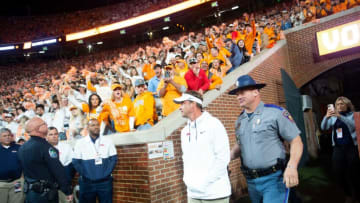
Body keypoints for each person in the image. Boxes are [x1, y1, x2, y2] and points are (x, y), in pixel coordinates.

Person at [229, 75, 303, 203]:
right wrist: (226, 158)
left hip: (274, 179)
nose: (239, 96)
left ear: (256, 92)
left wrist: (292, 166)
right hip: (251, 181)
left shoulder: (276, 113)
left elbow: (296, 141)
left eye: (242, 92)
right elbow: (240, 145)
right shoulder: (240, 121)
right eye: (237, 94)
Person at [174, 90, 231, 203]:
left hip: (215, 193)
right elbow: (186, 159)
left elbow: (223, 158)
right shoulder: (184, 131)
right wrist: (188, 181)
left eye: (182, 103)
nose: (179, 108)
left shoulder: (214, 124)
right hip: (193, 194)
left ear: (193, 104)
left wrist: (205, 183)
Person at [17, 117, 73, 203]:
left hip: (30, 192)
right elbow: (58, 170)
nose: (47, 125)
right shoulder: (46, 147)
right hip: (45, 194)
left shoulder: (22, 147)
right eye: (44, 124)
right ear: (38, 129)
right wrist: (67, 190)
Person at [321, 96, 360, 203]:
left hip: (351, 147)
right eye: (337, 104)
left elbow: (354, 127)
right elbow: (323, 127)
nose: (339, 106)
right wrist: (326, 116)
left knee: (354, 173)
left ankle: (356, 195)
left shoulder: (354, 115)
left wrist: (340, 117)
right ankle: (348, 194)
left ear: (347, 105)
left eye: (342, 104)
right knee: (338, 173)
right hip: (338, 149)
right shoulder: (333, 117)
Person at [72, 118, 117, 203]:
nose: (96, 127)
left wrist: (106, 173)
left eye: (97, 125)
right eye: (93, 125)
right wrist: (86, 174)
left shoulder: (108, 141)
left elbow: (113, 159)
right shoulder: (80, 143)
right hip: (87, 183)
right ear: (88, 128)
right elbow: (75, 162)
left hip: (104, 183)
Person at [46, 127, 75, 203]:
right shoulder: (43, 149)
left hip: (65, 185)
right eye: (51, 134)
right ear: (46, 136)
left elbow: (72, 165)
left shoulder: (66, 147)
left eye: (55, 134)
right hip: (50, 186)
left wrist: (67, 180)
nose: (54, 136)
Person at [0, 128, 24, 203]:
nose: (7, 137)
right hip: (1, 184)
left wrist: (22, 178)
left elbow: (24, 163)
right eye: (4, 136)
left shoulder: (18, 147)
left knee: (17, 201)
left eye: (9, 135)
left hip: (16, 182)